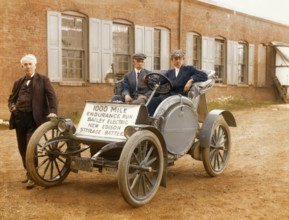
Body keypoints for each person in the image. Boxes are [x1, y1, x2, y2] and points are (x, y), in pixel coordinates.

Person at [8, 54, 58, 189]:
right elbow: (11, 99)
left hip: (34, 119)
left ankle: (32, 176)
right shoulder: (18, 82)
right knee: (22, 148)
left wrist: (53, 111)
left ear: (35, 65)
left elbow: (52, 96)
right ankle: (28, 171)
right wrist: (12, 107)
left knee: (31, 147)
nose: (27, 67)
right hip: (19, 119)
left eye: (30, 64)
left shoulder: (43, 80)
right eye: (25, 65)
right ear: (22, 67)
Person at [147, 49, 208, 115]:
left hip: (181, 96)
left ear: (183, 60)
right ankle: (150, 119)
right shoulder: (170, 72)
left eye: (180, 59)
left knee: (160, 100)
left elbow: (204, 76)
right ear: (172, 60)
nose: (178, 61)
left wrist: (191, 80)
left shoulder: (189, 69)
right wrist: (150, 80)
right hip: (169, 95)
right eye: (176, 59)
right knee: (153, 100)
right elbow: (160, 80)